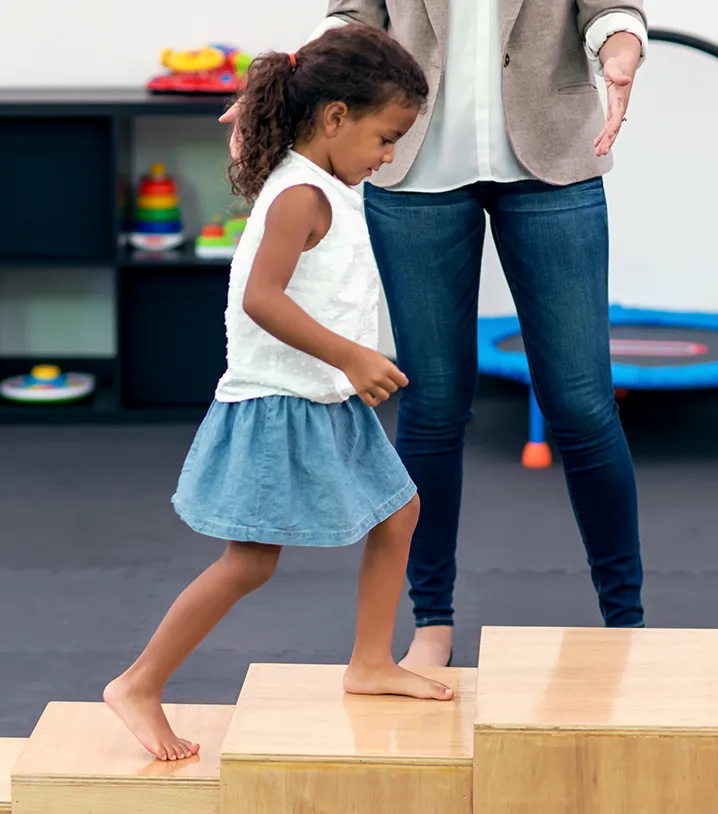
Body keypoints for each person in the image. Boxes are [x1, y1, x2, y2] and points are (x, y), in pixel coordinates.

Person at [223, 1, 650, 668]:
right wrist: (286, 82)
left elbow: (611, 11)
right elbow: (351, 16)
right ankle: (433, 622)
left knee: (582, 406)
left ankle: (626, 622)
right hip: (414, 167)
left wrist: (620, 55)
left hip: (553, 157)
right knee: (433, 402)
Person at [104, 24, 455, 763]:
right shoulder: (300, 192)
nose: (389, 156)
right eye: (386, 138)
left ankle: (369, 663)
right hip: (278, 401)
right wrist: (352, 356)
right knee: (250, 562)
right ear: (333, 118)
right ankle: (138, 683)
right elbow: (263, 299)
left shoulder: (316, 175)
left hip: (321, 395)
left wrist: (349, 367)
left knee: (400, 511)